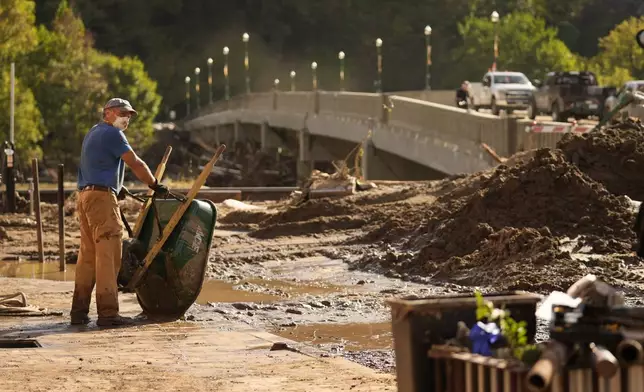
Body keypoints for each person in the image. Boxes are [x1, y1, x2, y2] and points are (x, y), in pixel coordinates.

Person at [71, 98, 169, 326]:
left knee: (88, 256)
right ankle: (108, 313)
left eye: (130, 115)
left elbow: (97, 165)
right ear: (108, 113)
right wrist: (154, 184)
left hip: (86, 197)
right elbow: (135, 162)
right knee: (108, 253)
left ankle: (79, 311)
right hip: (101, 199)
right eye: (122, 113)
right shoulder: (113, 135)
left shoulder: (93, 133)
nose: (127, 118)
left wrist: (116, 186)